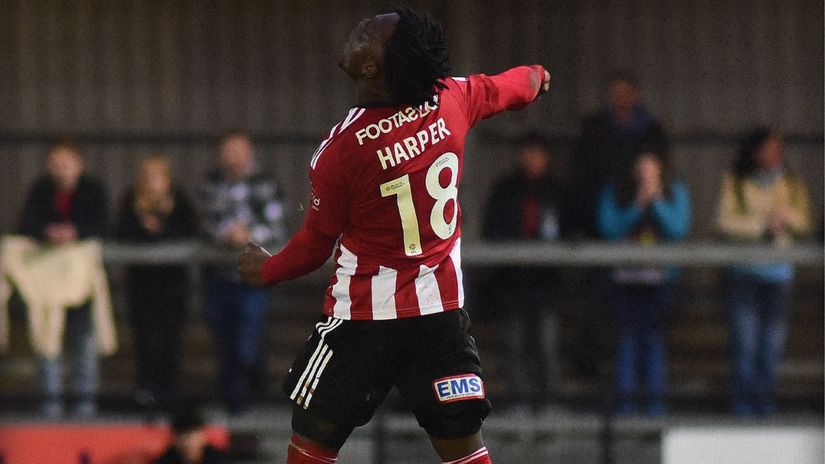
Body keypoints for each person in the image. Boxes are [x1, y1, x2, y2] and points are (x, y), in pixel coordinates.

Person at [238, 6, 551, 464]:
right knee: (462, 443)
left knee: (313, 437)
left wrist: (265, 269)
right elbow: (515, 86)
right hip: (438, 315)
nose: (355, 29)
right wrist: (538, 75)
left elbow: (313, 247)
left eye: (366, 33)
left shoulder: (341, 152)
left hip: (362, 319)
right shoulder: (451, 98)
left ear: (371, 67)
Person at [565, 71, 670, 383]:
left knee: (647, 331)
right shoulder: (595, 130)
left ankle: (650, 400)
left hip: (649, 246)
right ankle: (594, 371)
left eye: (626, 92)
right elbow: (582, 182)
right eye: (615, 92)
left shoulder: (651, 131)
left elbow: (672, 211)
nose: (620, 98)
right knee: (601, 311)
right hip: (603, 228)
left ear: (636, 94)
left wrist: (649, 202)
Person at [716, 127, 811, 417]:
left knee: (771, 343)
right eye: (766, 149)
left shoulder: (792, 183)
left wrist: (786, 218)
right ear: (754, 151)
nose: (772, 155)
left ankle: (765, 404)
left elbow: (806, 221)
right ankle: (744, 405)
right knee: (746, 342)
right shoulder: (735, 181)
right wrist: (761, 224)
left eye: (776, 149)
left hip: (779, 273)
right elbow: (725, 221)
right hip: (745, 271)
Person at [17, 140, 111, 418]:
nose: (60, 170)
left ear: (78, 165)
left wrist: (75, 233)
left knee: (83, 342)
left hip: (80, 281)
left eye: (66, 164)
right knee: (48, 340)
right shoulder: (41, 190)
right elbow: (25, 224)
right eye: (55, 164)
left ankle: (85, 407)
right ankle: (51, 407)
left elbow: (104, 224)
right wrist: (49, 233)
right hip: (47, 283)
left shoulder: (93, 190)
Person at [596, 148, 690, 416]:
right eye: (641, 167)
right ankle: (626, 409)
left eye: (652, 167)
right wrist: (637, 205)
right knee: (627, 342)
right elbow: (608, 228)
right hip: (625, 279)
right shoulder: (617, 190)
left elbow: (679, 229)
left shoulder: (674, 191)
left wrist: (657, 200)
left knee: (654, 342)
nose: (646, 173)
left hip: (661, 280)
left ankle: (655, 410)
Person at [199, 130, 287, 414]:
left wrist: (247, 235)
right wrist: (226, 234)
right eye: (228, 150)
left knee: (247, 345)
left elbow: (277, 226)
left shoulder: (266, 183)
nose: (233, 156)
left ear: (250, 152)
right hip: (218, 277)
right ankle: (233, 408)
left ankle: (251, 406)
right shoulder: (211, 183)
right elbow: (202, 221)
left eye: (239, 150)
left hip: (252, 279)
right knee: (223, 343)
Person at [480, 135, 565, 412]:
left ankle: (550, 404)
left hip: (547, 283)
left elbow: (574, 228)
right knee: (515, 346)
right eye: (527, 153)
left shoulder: (556, 190)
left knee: (546, 346)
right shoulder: (505, 190)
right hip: (514, 283)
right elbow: (491, 230)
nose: (532, 160)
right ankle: (518, 404)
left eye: (537, 154)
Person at [116, 154, 199, 413]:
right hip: (141, 286)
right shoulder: (130, 202)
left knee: (170, 340)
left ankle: (170, 392)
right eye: (148, 177)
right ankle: (145, 393)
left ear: (168, 180)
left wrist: (162, 225)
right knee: (144, 340)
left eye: (158, 176)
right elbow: (120, 231)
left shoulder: (180, 203)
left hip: (172, 286)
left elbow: (190, 229)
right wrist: (144, 227)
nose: (153, 182)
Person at [153, 410, 229, 464]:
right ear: (174, 440)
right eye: (184, 437)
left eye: (193, 437)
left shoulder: (219, 459)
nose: (189, 443)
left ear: (204, 437)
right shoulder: (164, 460)